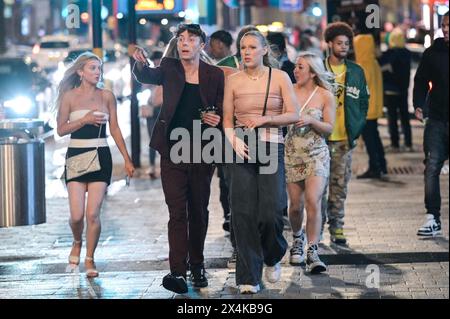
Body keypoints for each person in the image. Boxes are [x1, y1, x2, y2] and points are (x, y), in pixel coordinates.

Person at [132, 23, 224, 294]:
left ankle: (197, 264)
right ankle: (178, 271)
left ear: (201, 45)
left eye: (191, 39)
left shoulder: (214, 74)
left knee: (199, 210)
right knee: (177, 212)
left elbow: (220, 105)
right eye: (181, 39)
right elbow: (146, 75)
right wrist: (139, 63)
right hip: (172, 149)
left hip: (202, 150)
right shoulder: (169, 68)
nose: (184, 43)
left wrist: (216, 117)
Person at [223, 30, 300, 294]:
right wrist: (232, 139)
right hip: (240, 148)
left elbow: (293, 114)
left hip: (271, 147)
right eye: (243, 47)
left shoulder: (279, 77)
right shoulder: (233, 80)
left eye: (252, 47)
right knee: (242, 213)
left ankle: (272, 254)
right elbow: (226, 119)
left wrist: (266, 120)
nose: (246, 52)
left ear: (264, 50)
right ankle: (249, 276)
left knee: (272, 210)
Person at [55, 52, 135, 277]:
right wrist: (84, 120)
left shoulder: (107, 96)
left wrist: (127, 159)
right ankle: (76, 241)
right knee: (77, 215)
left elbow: (116, 129)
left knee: (93, 214)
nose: (97, 72)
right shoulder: (69, 97)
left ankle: (90, 259)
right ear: (80, 72)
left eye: (99, 68)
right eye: (92, 68)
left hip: (101, 155)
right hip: (77, 156)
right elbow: (61, 129)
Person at [285, 52, 335, 273]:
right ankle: (297, 239)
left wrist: (313, 120)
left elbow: (330, 128)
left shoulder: (325, 95)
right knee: (295, 206)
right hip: (292, 154)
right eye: (296, 67)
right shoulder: (288, 92)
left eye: (301, 67)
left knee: (313, 201)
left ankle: (313, 250)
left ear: (313, 72)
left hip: (317, 154)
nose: (295, 70)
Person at [322, 22, 369, 245]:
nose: (343, 47)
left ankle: (337, 227)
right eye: (339, 43)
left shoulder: (356, 71)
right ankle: (316, 228)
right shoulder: (319, 70)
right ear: (329, 43)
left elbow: (363, 102)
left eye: (346, 44)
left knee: (339, 186)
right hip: (319, 140)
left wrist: (356, 128)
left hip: (343, 139)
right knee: (317, 189)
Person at [414, 11, 449, 237]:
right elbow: (420, 81)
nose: (446, 30)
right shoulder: (432, 52)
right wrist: (418, 105)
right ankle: (432, 217)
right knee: (432, 167)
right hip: (437, 119)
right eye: (444, 26)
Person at [354, 34, 388, 179]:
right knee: (375, 137)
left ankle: (375, 167)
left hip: (366, 109)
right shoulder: (374, 63)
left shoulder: (362, 66)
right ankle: (382, 165)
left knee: (370, 139)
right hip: (374, 107)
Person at [380, 28, 412, 152]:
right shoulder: (407, 54)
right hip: (403, 90)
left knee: (392, 118)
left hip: (391, 90)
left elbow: (381, 69)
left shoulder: (389, 54)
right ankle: (408, 143)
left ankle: (395, 144)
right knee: (405, 118)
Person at [141, 51, 163, 179]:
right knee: (152, 140)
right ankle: (152, 166)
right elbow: (144, 86)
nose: (156, 62)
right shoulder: (153, 74)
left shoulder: (167, 72)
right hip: (152, 109)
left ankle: (161, 166)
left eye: (158, 60)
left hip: (163, 109)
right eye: (154, 60)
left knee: (163, 139)